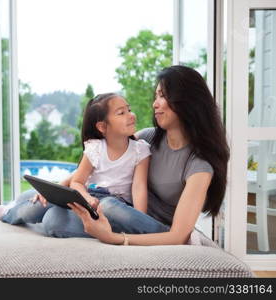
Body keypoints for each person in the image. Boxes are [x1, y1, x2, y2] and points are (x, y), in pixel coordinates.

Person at [68, 65, 230, 245]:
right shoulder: (148, 137)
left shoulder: (199, 165)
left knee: (108, 206)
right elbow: (99, 163)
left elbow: (178, 236)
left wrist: (112, 238)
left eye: (162, 96)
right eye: (156, 96)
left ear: (187, 102)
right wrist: (57, 188)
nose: (155, 104)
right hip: (120, 210)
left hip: (149, 226)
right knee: (49, 215)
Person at [0, 93, 153, 238]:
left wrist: (139, 219)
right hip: (86, 197)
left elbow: (139, 186)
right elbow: (77, 181)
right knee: (35, 204)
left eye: (129, 110)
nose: (131, 115)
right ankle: (7, 214)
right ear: (102, 126)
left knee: (60, 217)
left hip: (114, 204)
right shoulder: (96, 148)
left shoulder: (140, 149)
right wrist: (85, 198)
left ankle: (148, 230)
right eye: (121, 113)